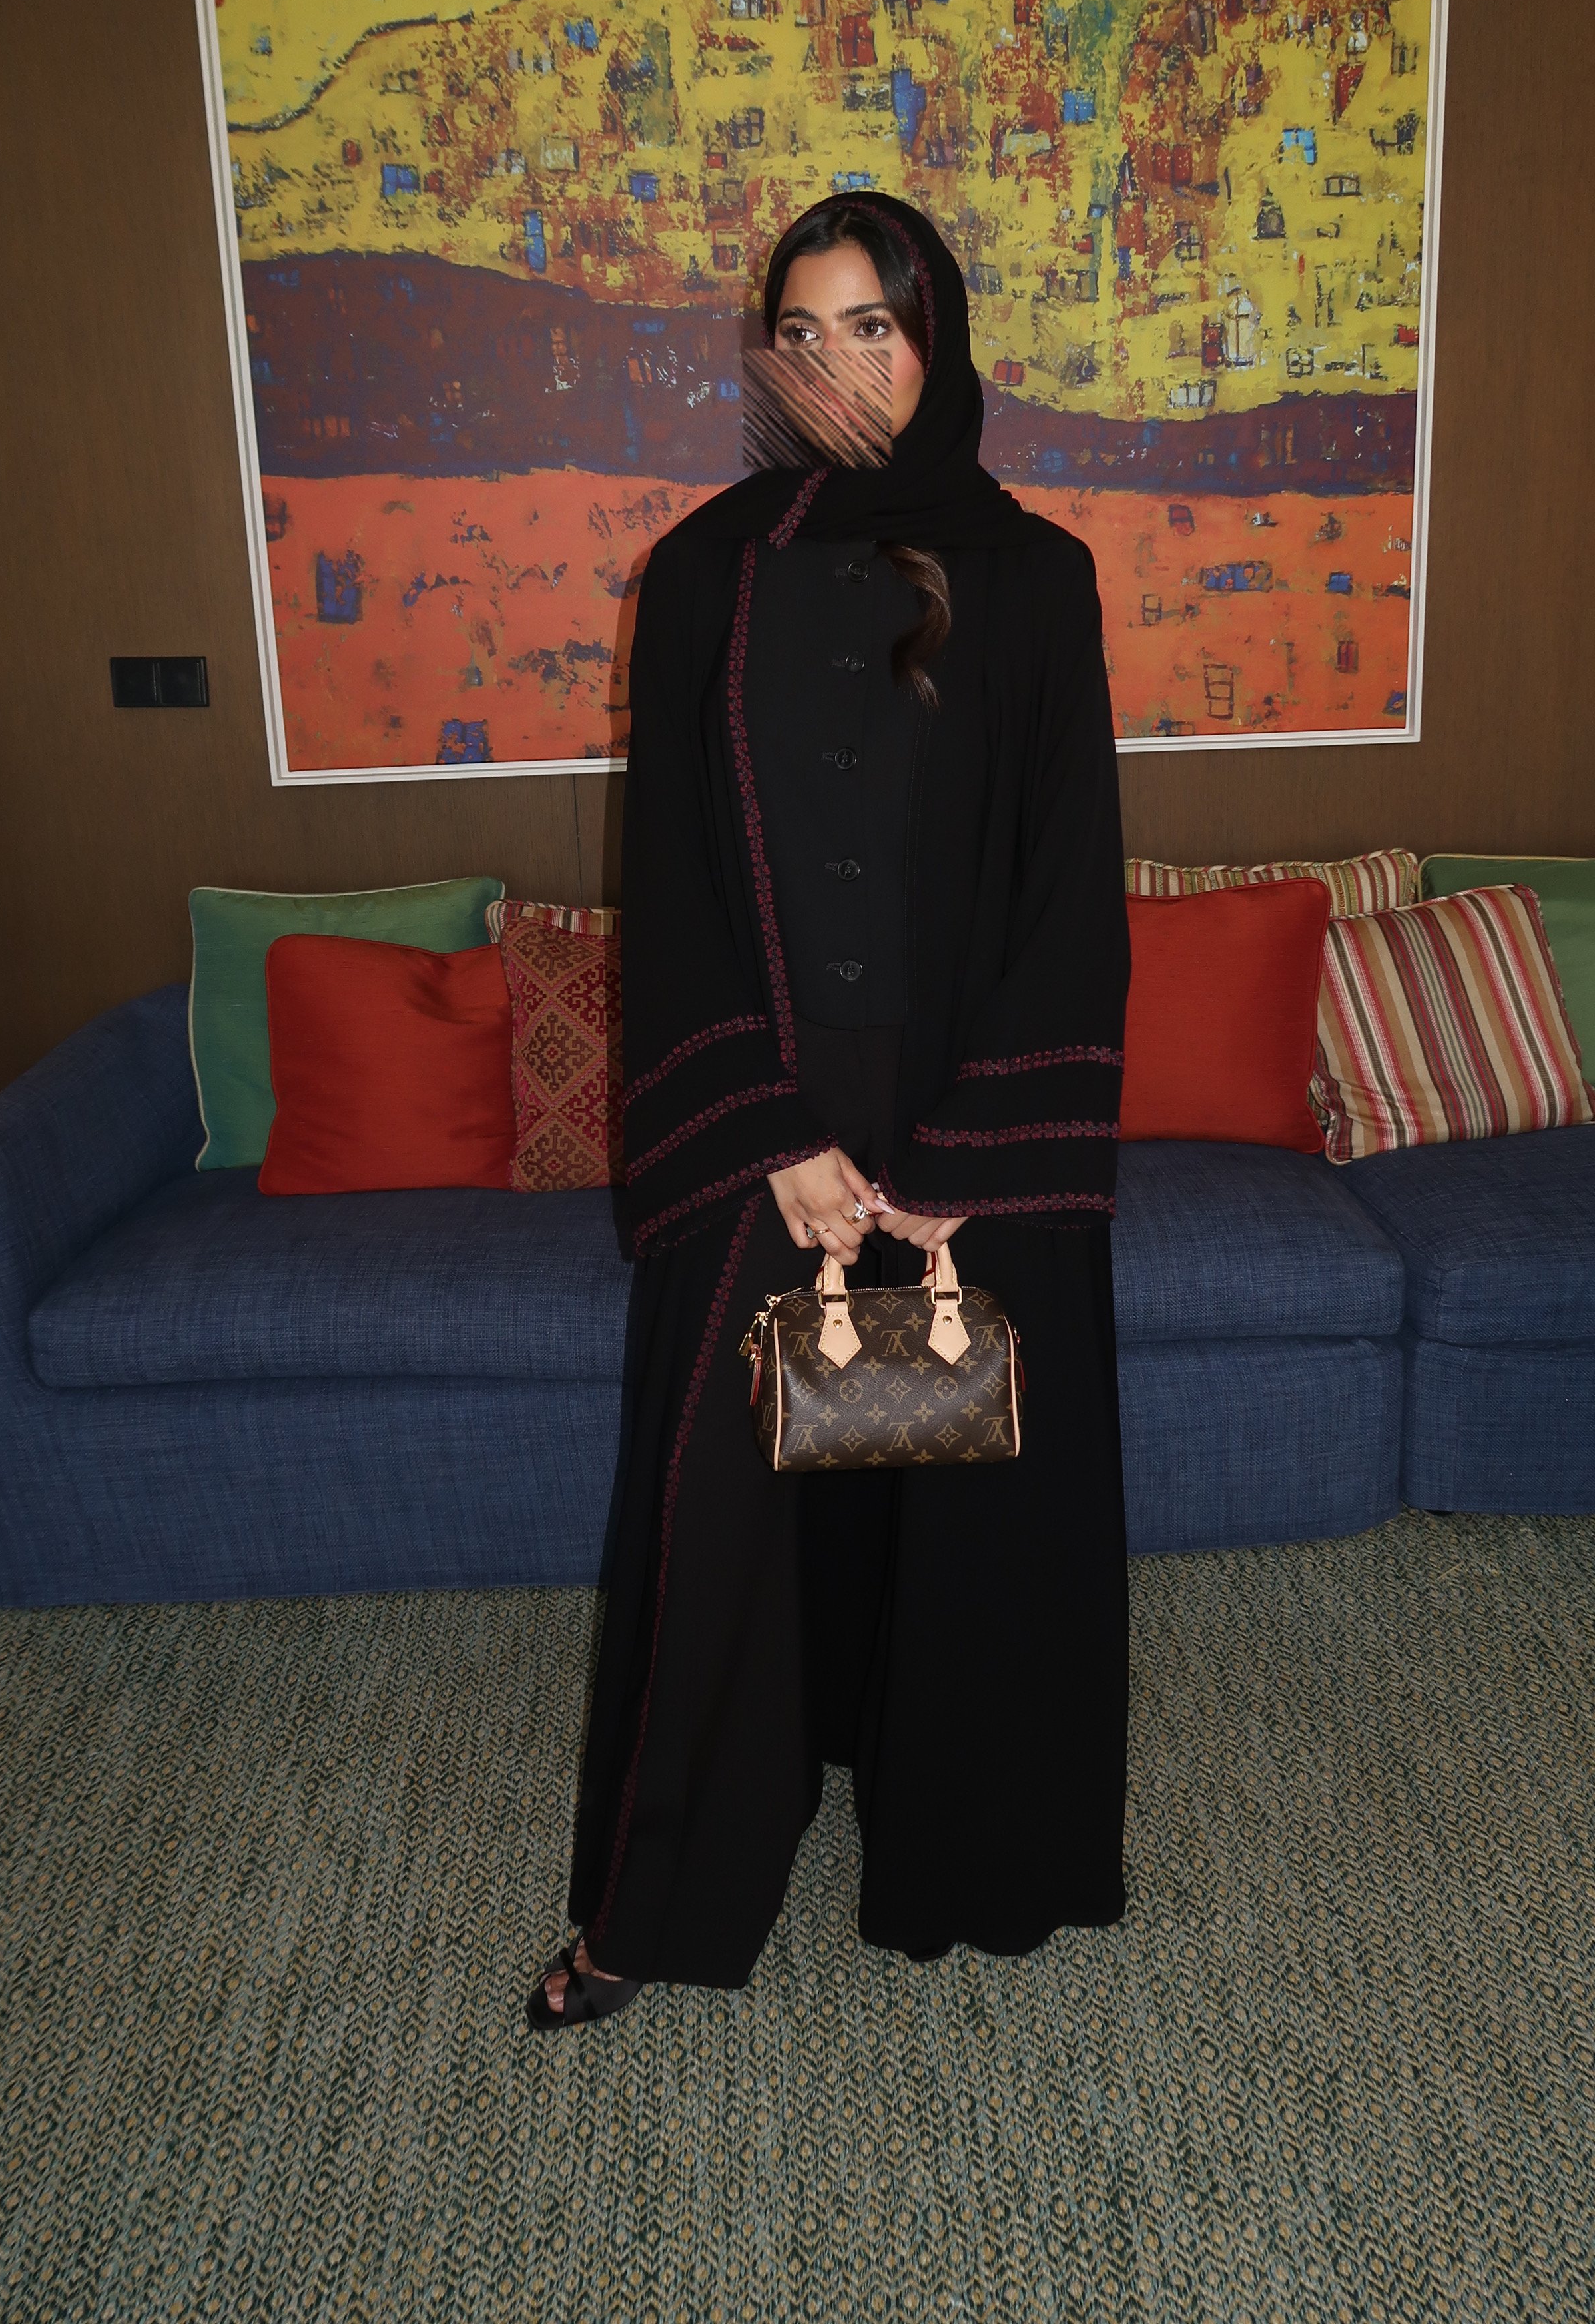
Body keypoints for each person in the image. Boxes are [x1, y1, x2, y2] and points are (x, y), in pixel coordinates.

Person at [529, 192, 1129, 2028]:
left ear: (938, 339)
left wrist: (961, 1167)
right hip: (763, 1113)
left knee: (972, 1507)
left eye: (874, 326)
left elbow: (1069, 889)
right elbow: (673, 877)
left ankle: (974, 1853)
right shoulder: (704, 571)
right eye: (802, 333)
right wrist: (773, 1135)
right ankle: (653, 1905)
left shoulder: (1038, 578)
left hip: (968, 1113)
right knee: (717, 1525)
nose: (838, 367)